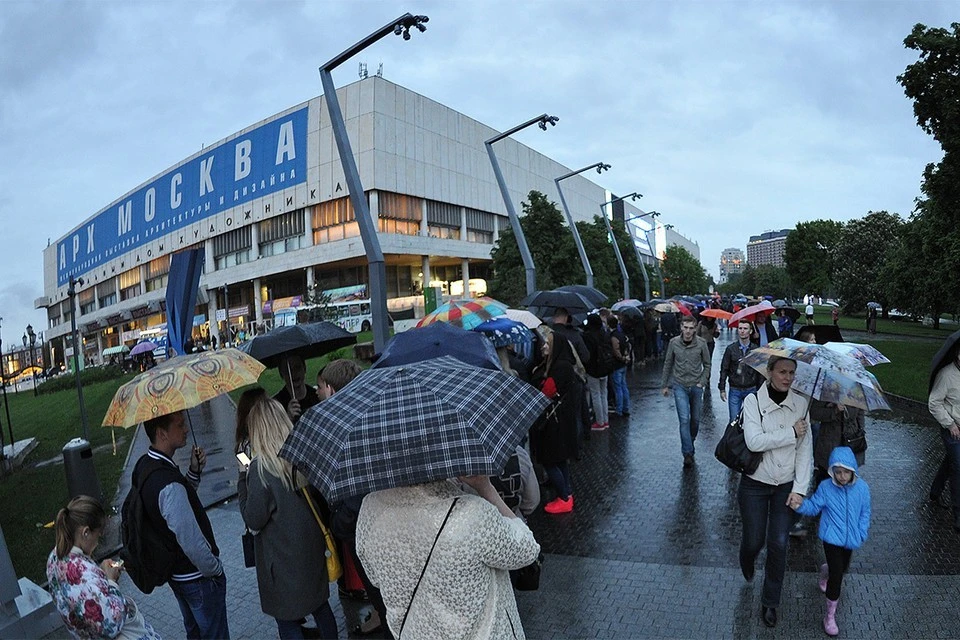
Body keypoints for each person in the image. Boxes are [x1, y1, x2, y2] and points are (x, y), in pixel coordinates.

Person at [356, 476, 541, 640]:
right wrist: (486, 488)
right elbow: (527, 550)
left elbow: (374, 578)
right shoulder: (472, 513)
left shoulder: (370, 509)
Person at [237, 390, 338, 639]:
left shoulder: (261, 469)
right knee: (321, 608)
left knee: (287, 620)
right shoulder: (298, 456)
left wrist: (242, 475)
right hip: (310, 551)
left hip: (282, 563)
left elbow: (253, 518)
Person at [133, 411, 228, 639]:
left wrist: (193, 473)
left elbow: (173, 510)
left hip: (177, 576)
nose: (186, 429)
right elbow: (191, 541)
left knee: (194, 633)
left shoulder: (146, 465)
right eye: (180, 424)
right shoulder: (167, 483)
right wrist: (214, 569)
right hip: (197, 577)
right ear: (162, 433)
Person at [738, 356, 813, 628]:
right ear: (769, 372)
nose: (788, 377)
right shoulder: (752, 402)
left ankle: (770, 602)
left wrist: (801, 489)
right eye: (782, 371)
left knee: (779, 544)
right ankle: (746, 557)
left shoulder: (801, 405)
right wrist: (792, 432)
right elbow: (754, 442)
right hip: (755, 484)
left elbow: (806, 451)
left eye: (792, 373)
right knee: (754, 541)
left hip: (785, 486)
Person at [318, 359, 388, 637]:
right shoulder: (369, 414)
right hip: (381, 526)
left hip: (365, 532)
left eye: (321, 386)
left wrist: (338, 525)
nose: (318, 391)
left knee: (382, 598)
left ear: (333, 390)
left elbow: (356, 497)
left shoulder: (347, 430)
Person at [47, 496, 160, 640]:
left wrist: (99, 574)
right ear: (85, 532)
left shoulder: (55, 557)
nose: (98, 541)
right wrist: (111, 582)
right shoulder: (84, 573)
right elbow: (111, 626)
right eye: (98, 535)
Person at [789, 446, 871, 637]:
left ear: (853, 470)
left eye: (846, 472)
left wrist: (862, 531)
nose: (842, 476)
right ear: (832, 471)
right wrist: (800, 505)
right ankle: (830, 616)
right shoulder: (826, 488)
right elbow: (814, 507)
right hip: (831, 538)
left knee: (840, 568)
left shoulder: (863, 489)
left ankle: (825, 571)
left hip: (851, 539)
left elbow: (865, 512)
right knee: (837, 576)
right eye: (838, 472)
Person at [529, 326, 579, 513]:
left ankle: (564, 497)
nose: (543, 347)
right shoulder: (559, 364)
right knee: (559, 461)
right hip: (559, 422)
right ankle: (566, 495)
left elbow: (546, 392)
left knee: (550, 461)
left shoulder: (559, 367)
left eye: (547, 344)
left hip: (554, 424)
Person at [661, 316, 710, 467]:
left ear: (695, 329)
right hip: (679, 384)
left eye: (691, 328)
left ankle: (690, 439)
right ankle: (687, 453)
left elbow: (707, 364)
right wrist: (664, 384)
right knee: (684, 419)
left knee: (695, 420)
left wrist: (702, 382)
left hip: (696, 385)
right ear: (681, 327)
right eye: (685, 327)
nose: (688, 331)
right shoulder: (674, 342)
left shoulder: (701, 343)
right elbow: (668, 362)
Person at [928, 348, 960, 531]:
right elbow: (934, 402)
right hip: (952, 429)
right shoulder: (946, 374)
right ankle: (958, 513)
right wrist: (950, 424)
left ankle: (935, 490)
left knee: (952, 461)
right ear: (957, 354)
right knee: (958, 467)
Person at [718, 320, 763, 422]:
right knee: (734, 421)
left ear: (750, 331)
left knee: (751, 420)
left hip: (751, 389)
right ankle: (734, 438)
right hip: (735, 389)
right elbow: (724, 369)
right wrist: (722, 388)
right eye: (740, 328)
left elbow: (760, 372)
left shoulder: (755, 350)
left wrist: (760, 390)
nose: (742, 331)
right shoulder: (731, 349)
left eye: (745, 328)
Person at [273, 354, 320, 424]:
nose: (293, 373)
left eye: (297, 367)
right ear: (281, 374)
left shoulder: (316, 396)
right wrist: (288, 418)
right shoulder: (276, 405)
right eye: (288, 370)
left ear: (304, 368)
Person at [582, 314, 610, 431]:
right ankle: (605, 420)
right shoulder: (604, 333)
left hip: (593, 368)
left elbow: (588, 354)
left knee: (595, 394)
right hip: (605, 367)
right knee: (604, 394)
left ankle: (599, 422)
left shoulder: (588, 336)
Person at [608, 316, 632, 418]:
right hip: (623, 365)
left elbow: (616, 351)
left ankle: (619, 409)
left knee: (618, 388)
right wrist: (626, 358)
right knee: (623, 386)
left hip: (617, 365)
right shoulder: (622, 335)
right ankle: (626, 408)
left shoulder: (613, 336)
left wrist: (621, 358)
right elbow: (627, 347)